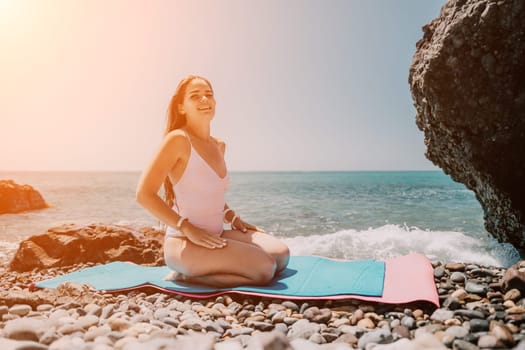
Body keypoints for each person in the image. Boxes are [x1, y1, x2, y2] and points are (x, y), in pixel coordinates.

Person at [136, 75, 290, 287]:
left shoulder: (219, 145)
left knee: (281, 255)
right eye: (195, 96)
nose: (204, 100)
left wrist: (232, 217)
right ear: (181, 107)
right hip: (184, 243)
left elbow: (209, 192)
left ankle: (206, 269)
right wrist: (188, 229)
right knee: (264, 269)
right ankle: (187, 274)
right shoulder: (178, 140)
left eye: (208, 95)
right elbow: (144, 194)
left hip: (215, 235)